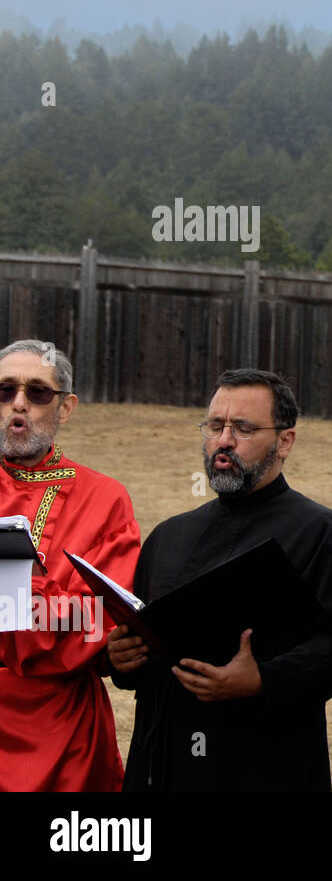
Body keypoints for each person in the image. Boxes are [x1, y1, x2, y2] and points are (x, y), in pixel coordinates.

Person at [107, 369, 332, 790]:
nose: (224, 441)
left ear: (285, 441)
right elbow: (144, 643)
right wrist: (122, 659)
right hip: (163, 763)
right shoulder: (168, 536)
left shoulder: (323, 533)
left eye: (243, 428)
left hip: (264, 766)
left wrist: (263, 678)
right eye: (215, 426)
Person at [0, 339, 140, 791]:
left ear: (64, 408)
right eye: (4, 390)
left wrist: (22, 588)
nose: (18, 403)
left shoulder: (105, 499)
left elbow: (98, 619)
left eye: (38, 392)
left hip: (61, 729)